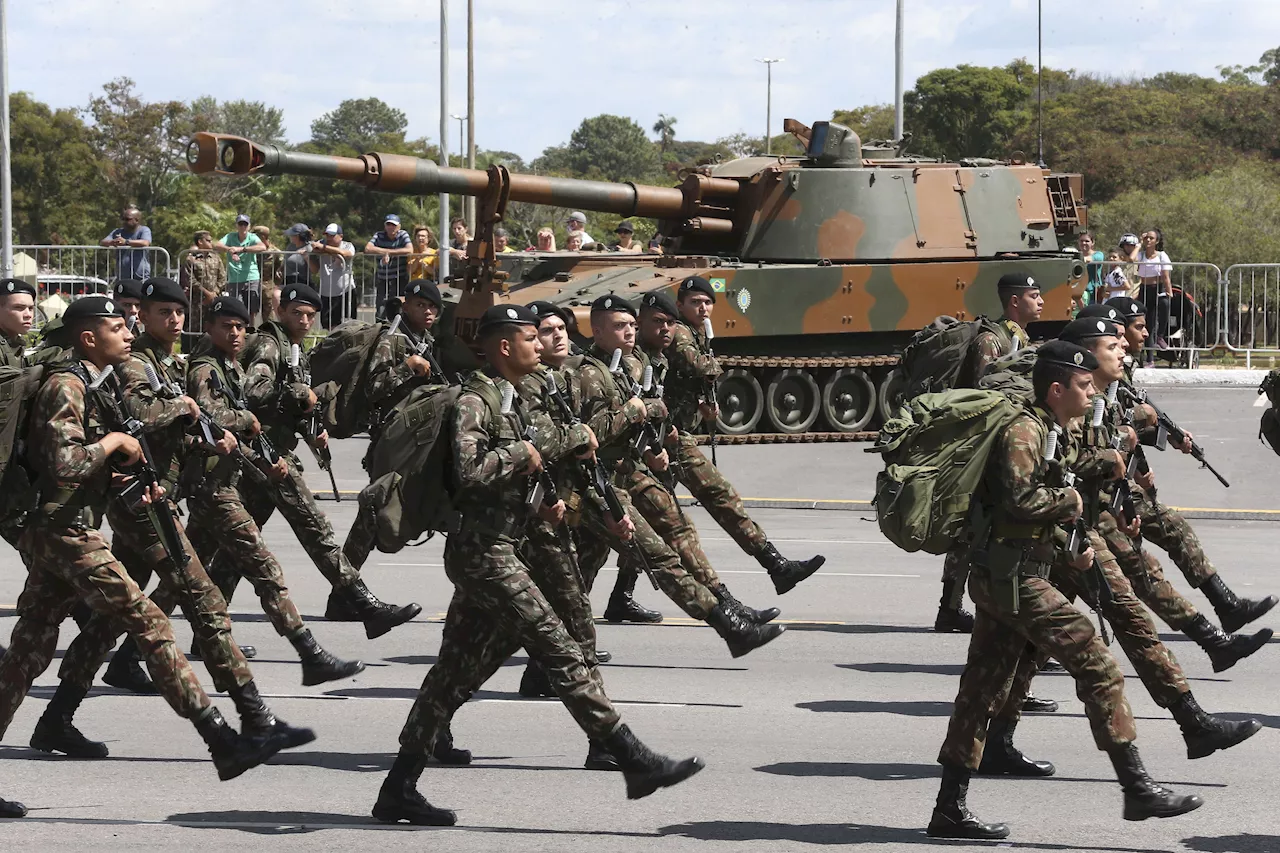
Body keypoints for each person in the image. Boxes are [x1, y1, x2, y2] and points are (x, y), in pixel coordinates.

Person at [371, 303, 704, 827]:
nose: (540, 344)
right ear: (505, 346)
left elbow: (516, 470)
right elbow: (473, 469)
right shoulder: (477, 402)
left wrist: (540, 494)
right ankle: (632, 757)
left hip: (502, 544)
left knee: (453, 672)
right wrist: (523, 454)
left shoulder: (509, 398)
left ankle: (398, 788)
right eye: (530, 337)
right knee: (557, 645)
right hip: (485, 554)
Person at [0, 295, 295, 816]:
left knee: (27, 654)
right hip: (63, 530)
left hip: (62, 526)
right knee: (150, 620)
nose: (128, 332)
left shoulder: (92, 382)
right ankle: (221, 741)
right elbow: (66, 464)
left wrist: (125, 474)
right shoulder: (66, 385)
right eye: (116, 326)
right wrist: (114, 441)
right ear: (89, 337)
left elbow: (74, 465)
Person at [928, 339, 1203, 841]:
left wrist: (1067, 545)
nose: (1088, 389)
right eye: (1080, 384)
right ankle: (1137, 787)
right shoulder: (1023, 431)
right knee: (1096, 663)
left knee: (982, 688)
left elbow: (1030, 511)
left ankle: (948, 809)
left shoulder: (1051, 428)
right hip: (1014, 578)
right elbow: (1021, 500)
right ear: (1056, 389)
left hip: (1009, 572)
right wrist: (1071, 499)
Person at [39, 278, 320, 756]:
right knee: (202, 599)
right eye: (157, 312)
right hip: (139, 504)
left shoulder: (155, 364)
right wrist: (183, 408)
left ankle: (57, 715)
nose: (168, 320)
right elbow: (138, 420)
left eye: (178, 312)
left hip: (147, 496)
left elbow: (148, 434)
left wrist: (198, 436)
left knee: (108, 617)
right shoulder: (129, 365)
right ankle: (254, 718)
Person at [575, 294, 787, 641]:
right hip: (600, 482)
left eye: (631, 325)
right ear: (596, 331)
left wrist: (651, 444)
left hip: (630, 472)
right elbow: (591, 434)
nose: (630, 332)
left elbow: (635, 422)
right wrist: (638, 417)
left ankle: (728, 610)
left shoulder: (632, 364)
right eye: (620, 326)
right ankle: (728, 621)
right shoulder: (590, 373)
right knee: (603, 562)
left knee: (676, 532)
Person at [182, 295, 367, 685]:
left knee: (186, 573)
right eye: (225, 327)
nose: (234, 334)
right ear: (210, 329)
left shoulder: (229, 366)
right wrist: (249, 425)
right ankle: (309, 653)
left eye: (239, 327)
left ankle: (130, 654)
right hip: (212, 485)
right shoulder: (207, 368)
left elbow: (237, 425)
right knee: (264, 570)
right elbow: (209, 417)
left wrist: (260, 453)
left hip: (227, 480)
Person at [235, 283, 421, 639]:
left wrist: (310, 426)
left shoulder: (292, 347)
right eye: (297, 314)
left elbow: (288, 403)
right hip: (269, 455)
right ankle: (364, 605)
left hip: (268, 454)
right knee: (317, 531)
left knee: (236, 547)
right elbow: (255, 391)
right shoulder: (270, 344)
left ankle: (200, 631)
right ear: (281, 312)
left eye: (310, 315)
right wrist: (298, 395)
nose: (305, 321)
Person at [1104, 296, 1278, 632]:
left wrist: (1166, 436)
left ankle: (1223, 615)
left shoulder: (1119, 369)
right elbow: (1113, 430)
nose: (1143, 334)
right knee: (1108, 572)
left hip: (1117, 485)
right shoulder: (1099, 373)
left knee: (1161, 543)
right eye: (1138, 327)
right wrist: (1146, 446)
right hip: (1100, 491)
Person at [663, 277, 825, 593]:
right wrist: (714, 367)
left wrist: (702, 405)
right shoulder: (682, 333)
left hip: (674, 434)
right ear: (680, 305)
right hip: (669, 437)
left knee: (659, 516)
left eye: (707, 302)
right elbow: (696, 365)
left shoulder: (696, 334)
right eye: (695, 301)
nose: (702, 308)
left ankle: (621, 593)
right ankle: (776, 565)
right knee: (720, 497)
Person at [936, 272, 1041, 634]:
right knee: (971, 528)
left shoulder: (1019, 337)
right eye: (1033, 295)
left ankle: (958, 607)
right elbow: (985, 396)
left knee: (978, 528)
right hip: (985, 445)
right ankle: (951, 607)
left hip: (1004, 443)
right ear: (1014, 301)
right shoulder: (991, 341)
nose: (1040, 301)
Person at [215, 214, 265, 321]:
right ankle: (239, 329)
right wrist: (229, 249)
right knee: (236, 307)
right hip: (234, 279)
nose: (243, 227)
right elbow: (217, 245)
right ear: (236, 225)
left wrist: (242, 249)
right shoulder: (230, 236)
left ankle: (250, 332)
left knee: (251, 309)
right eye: (240, 224)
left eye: (245, 224)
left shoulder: (252, 237)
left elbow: (262, 247)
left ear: (249, 226)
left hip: (251, 277)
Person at [179, 230, 227, 340]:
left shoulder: (216, 258)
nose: (211, 243)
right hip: (197, 301)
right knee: (196, 329)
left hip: (214, 299)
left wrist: (214, 293)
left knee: (214, 326)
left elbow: (222, 277)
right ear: (200, 242)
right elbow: (190, 279)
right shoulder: (191, 259)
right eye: (208, 241)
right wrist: (206, 293)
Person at [310, 223, 355, 330]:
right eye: (327, 235)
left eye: (332, 235)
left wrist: (325, 249)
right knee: (328, 324)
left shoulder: (347, 245)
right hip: (326, 291)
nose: (329, 238)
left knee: (349, 323)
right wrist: (322, 248)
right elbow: (314, 249)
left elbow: (346, 253)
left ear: (341, 236)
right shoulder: (321, 243)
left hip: (346, 290)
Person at [1136, 228, 1173, 360]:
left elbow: (1166, 276)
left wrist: (1169, 291)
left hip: (1157, 287)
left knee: (1165, 304)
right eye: (1147, 238)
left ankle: (1160, 336)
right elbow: (1131, 259)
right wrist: (1139, 243)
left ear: (1157, 241)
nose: (1148, 240)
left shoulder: (1162, 255)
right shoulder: (1141, 255)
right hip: (1144, 289)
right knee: (1148, 324)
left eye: (1151, 238)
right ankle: (1149, 359)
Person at [365, 214, 413, 311]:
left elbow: (409, 250)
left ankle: (398, 325)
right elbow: (368, 248)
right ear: (385, 226)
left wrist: (388, 253)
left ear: (399, 226)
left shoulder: (403, 234)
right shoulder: (379, 235)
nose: (391, 227)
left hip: (399, 278)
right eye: (388, 224)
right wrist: (387, 252)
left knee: (398, 306)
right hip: (382, 278)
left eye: (394, 225)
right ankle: (381, 325)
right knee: (381, 307)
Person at [99, 207, 153, 282]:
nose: (124, 221)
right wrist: (113, 242)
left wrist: (126, 242)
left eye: (127, 219)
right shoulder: (118, 232)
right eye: (123, 219)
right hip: (123, 276)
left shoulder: (144, 230)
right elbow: (103, 242)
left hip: (140, 276)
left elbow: (145, 243)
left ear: (136, 220)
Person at [252, 225, 283, 325]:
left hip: (268, 285)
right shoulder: (252, 250)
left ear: (263, 237)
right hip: (253, 283)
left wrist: (276, 285)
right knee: (251, 312)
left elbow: (280, 268)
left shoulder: (275, 252)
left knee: (268, 314)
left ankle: (269, 335)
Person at [1078, 232, 1104, 305]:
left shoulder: (1099, 254)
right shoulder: (1076, 254)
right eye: (1081, 241)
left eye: (1087, 241)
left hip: (1093, 293)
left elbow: (1091, 259)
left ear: (1093, 242)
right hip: (1078, 292)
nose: (1084, 243)